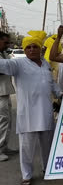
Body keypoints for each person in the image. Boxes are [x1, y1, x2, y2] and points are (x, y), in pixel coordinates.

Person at [0, 31, 63, 185]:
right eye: (28, 47)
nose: (32, 49)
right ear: (25, 49)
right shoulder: (18, 64)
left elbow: (51, 83)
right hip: (28, 114)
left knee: (47, 145)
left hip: (46, 111)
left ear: (41, 49)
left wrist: (60, 93)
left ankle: (47, 169)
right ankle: (26, 175)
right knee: (27, 148)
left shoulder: (45, 63)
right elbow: (3, 64)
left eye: (35, 46)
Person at [0, 32, 18, 162]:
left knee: (7, 120)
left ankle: (4, 146)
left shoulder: (4, 53)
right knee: (3, 121)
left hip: (5, 90)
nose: (7, 45)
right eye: (5, 42)